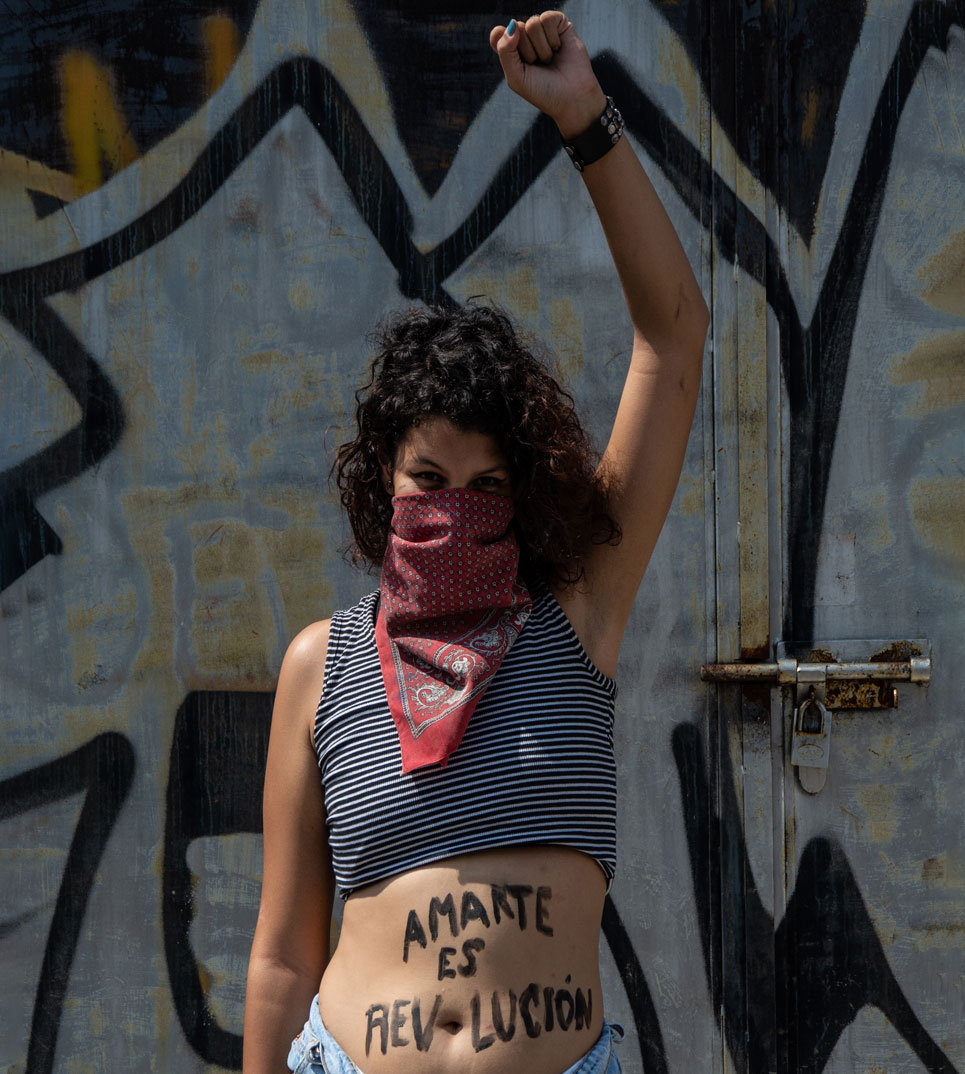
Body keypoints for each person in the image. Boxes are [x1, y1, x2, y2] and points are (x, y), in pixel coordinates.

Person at [243, 11, 709, 1074]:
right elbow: (281, 955)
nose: (455, 508)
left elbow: (674, 333)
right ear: (382, 479)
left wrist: (584, 119)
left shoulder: (576, 613)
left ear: (526, 489)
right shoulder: (322, 666)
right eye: (429, 480)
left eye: (488, 485)